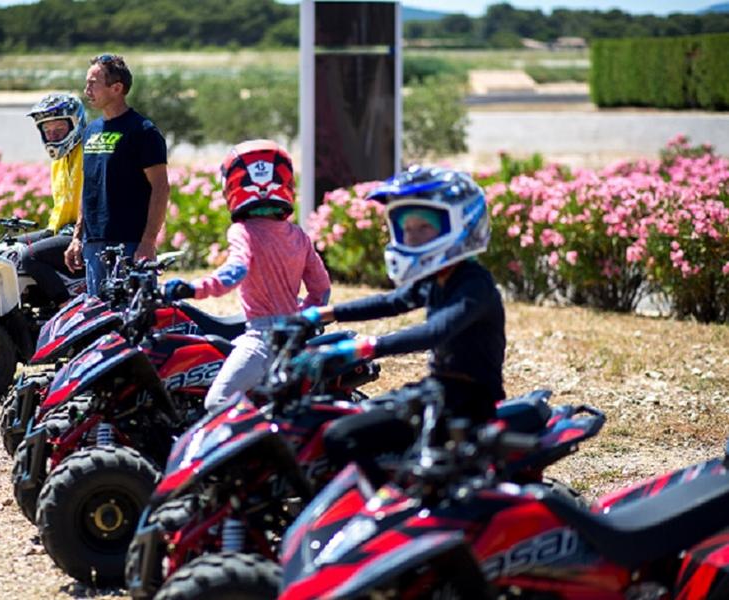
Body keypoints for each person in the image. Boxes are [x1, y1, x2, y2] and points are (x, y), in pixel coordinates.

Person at [294, 165, 506, 487]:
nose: (410, 236)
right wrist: (323, 314)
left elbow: (435, 331)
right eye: (405, 227)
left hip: (468, 403)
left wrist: (364, 347)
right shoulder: (440, 277)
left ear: (463, 223)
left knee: (343, 437)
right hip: (438, 391)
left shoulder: (474, 285)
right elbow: (392, 301)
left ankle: (384, 512)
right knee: (332, 422)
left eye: (424, 227)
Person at [162, 140, 332, 410]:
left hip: (262, 339)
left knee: (216, 403)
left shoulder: (243, 231)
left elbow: (234, 272)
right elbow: (321, 289)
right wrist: (304, 317)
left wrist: (191, 289)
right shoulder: (298, 235)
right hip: (294, 338)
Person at [64, 53, 169, 296]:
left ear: (116, 88)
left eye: (93, 83)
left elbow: (161, 189)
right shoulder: (90, 131)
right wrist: (77, 237)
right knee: (100, 321)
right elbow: (88, 188)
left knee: (134, 321)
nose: (86, 89)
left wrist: (148, 242)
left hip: (130, 244)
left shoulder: (143, 131)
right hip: (94, 244)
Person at [18, 92, 87, 305]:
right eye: (47, 131)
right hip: (62, 229)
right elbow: (62, 206)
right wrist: (49, 232)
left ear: (75, 124)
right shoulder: (58, 160)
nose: (53, 136)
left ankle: (64, 308)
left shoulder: (87, 151)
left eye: (59, 129)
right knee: (8, 248)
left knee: (29, 257)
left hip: (84, 232)